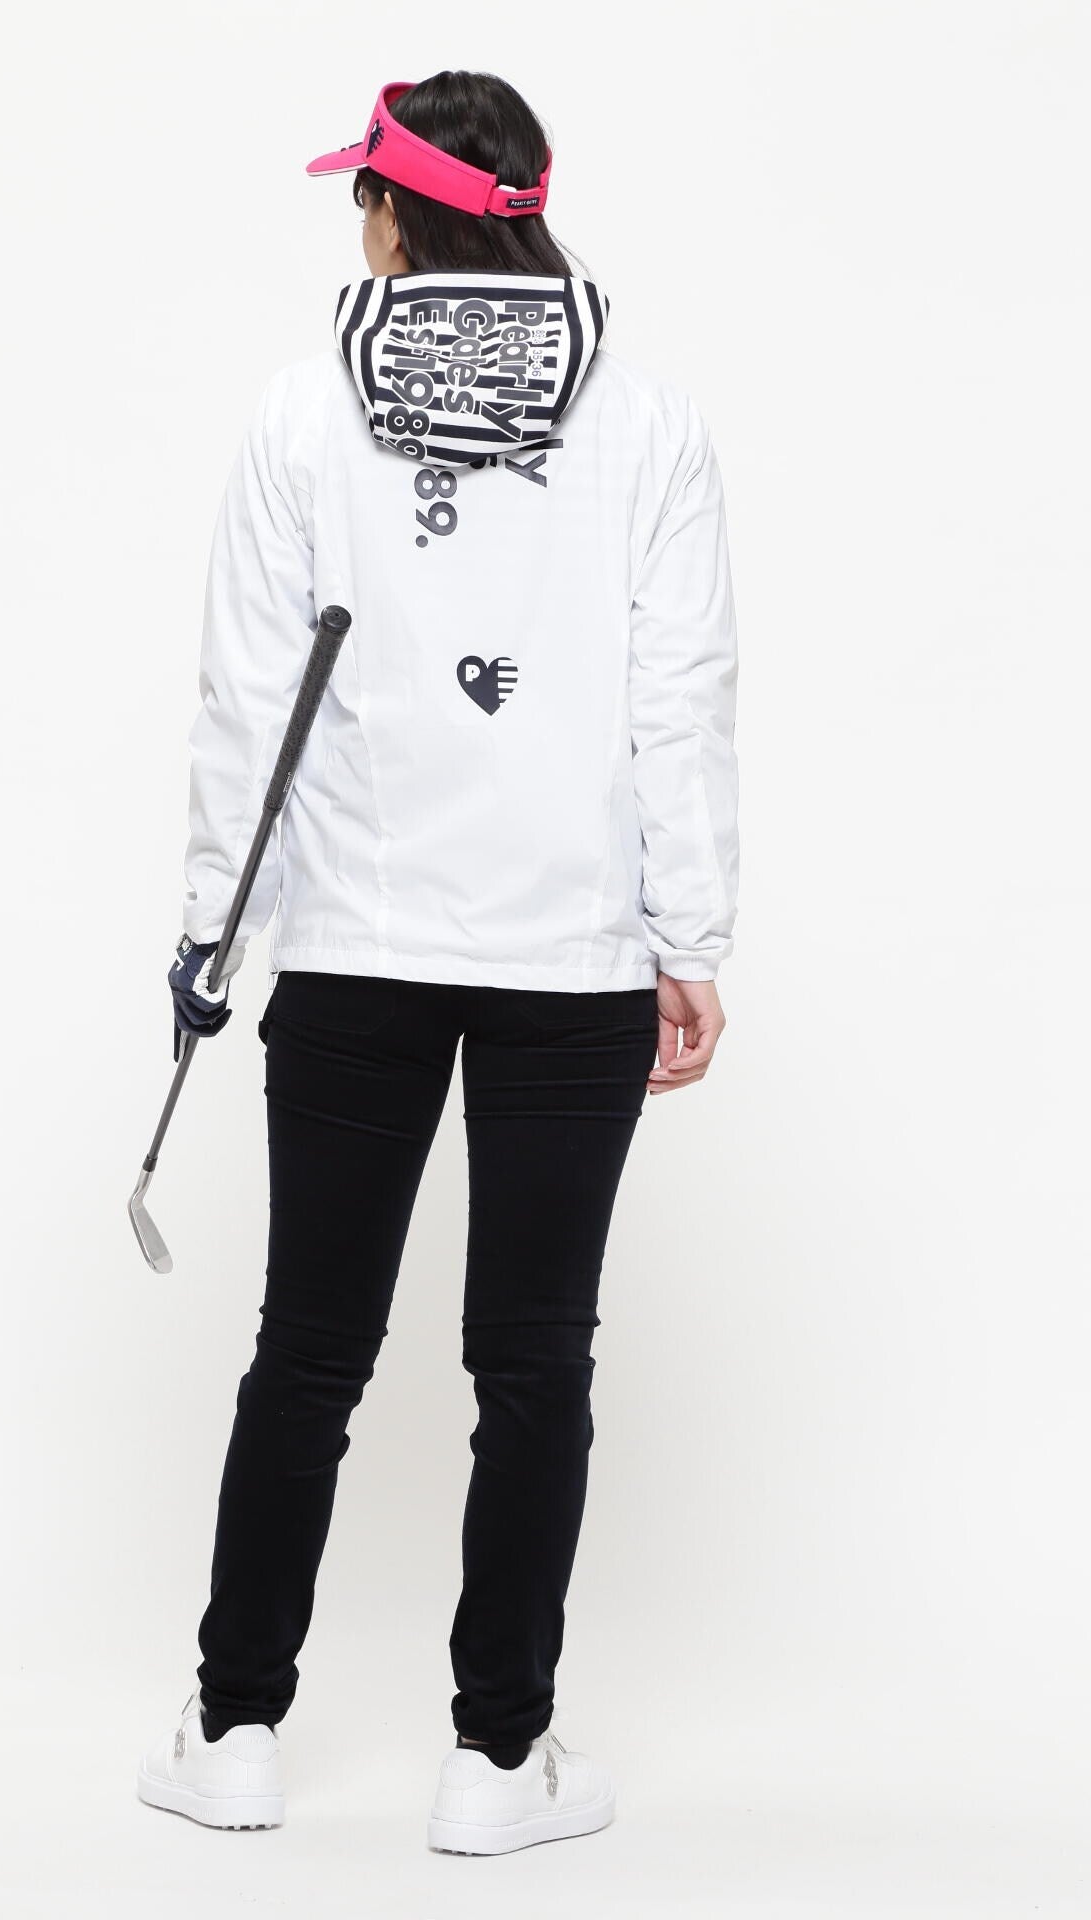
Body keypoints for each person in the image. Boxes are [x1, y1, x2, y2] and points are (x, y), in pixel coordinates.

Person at [136, 70, 740, 1857]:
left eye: (366, 198)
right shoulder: (647, 423)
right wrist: (690, 933)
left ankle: (235, 1732)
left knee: (309, 1349)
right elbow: (683, 695)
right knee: (534, 1360)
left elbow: (248, 699)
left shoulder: (301, 414)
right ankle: (497, 1763)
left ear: (402, 212)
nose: (362, 226)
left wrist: (211, 931)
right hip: (573, 952)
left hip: (357, 941)